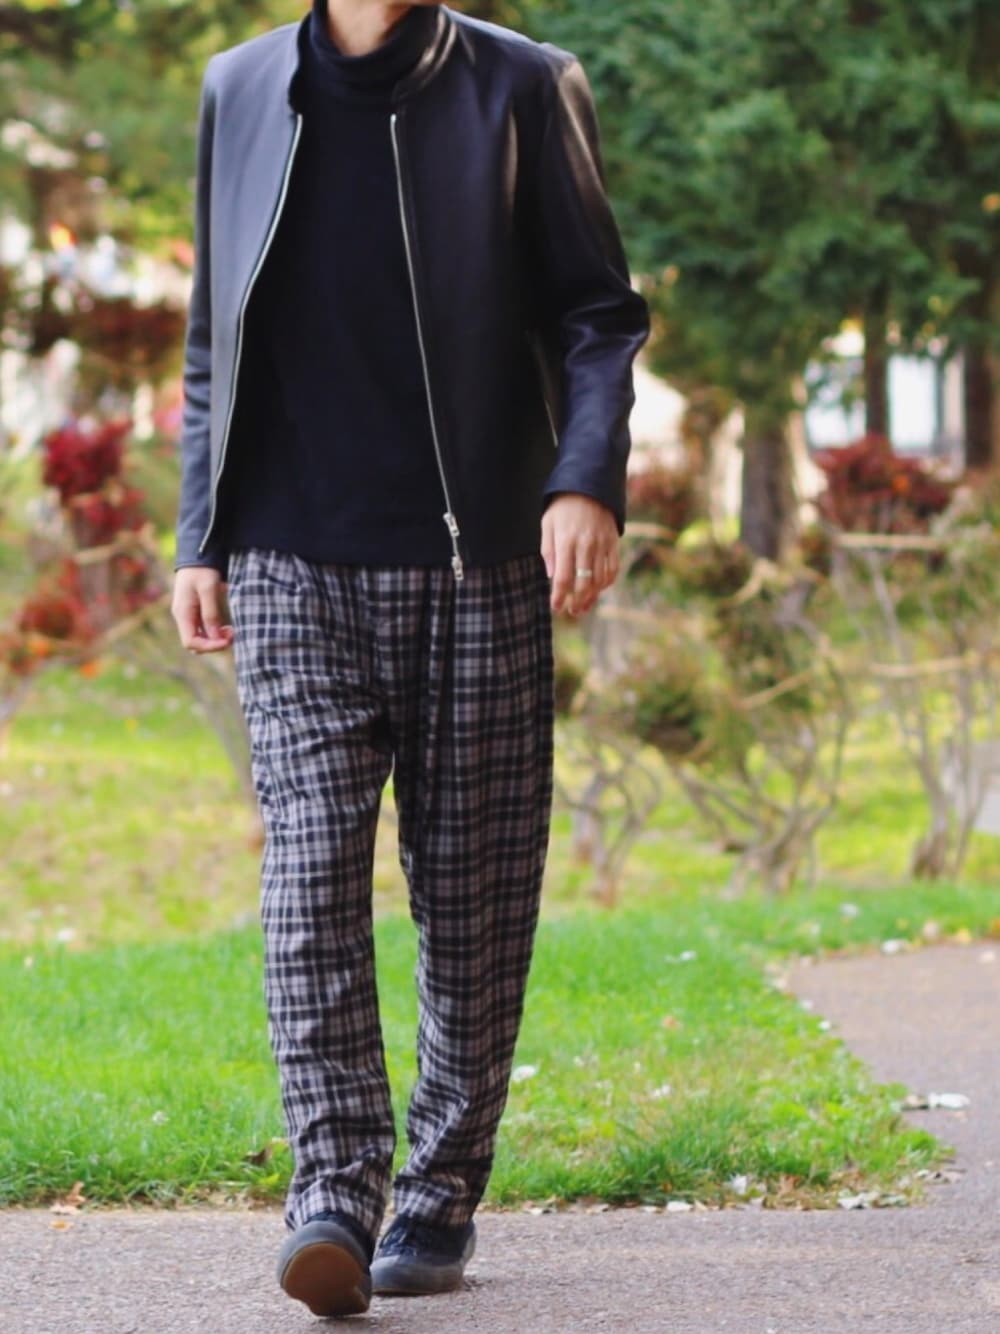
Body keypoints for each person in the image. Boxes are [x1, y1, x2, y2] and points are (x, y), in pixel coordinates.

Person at [170, 0, 649, 1317]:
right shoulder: (240, 88)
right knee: (308, 879)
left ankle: (436, 1190)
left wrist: (584, 478)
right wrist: (199, 532)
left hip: (479, 560)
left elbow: (600, 314)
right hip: (288, 557)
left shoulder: (522, 86)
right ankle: (333, 1192)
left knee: (476, 905)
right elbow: (213, 338)